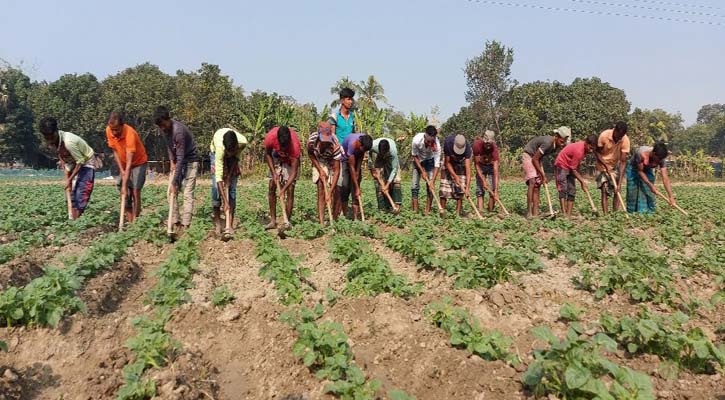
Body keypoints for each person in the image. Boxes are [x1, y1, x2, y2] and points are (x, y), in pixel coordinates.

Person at [40, 117, 98, 220]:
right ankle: (72, 218)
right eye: (47, 138)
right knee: (71, 193)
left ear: (56, 131)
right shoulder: (53, 141)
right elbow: (61, 155)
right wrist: (67, 174)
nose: (49, 140)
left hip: (85, 160)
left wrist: (69, 179)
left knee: (82, 191)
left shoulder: (69, 142)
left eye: (51, 137)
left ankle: (76, 221)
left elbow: (80, 162)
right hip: (71, 161)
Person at [154, 106, 200, 232]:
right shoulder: (164, 130)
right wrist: (171, 161)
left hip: (190, 161)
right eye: (160, 126)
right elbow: (169, 147)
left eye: (163, 125)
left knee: (187, 193)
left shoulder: (178, 131)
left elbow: (181, 157)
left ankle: (186, 225)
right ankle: (175, 222)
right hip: (178, 161)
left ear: (168, 119)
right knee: (171, 193)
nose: (162, 128)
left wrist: (175, 181)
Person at [106, 111, 148, 224]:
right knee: (124, 193)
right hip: (124, 164)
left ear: (122, 125)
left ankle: (136, 220)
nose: (114, 132)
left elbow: (130, 162)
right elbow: (114, 151)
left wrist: (125, 182)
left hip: (138, 162)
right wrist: (121, 170)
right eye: (112, 129)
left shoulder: (130, 133)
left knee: (135, 190)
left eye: (116, 130)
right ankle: (130, 221)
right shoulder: (109, 131)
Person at [522, 126, 571, 217]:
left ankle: (535, 213)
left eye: (564, 142)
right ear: (556, 137)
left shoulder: (555, 146)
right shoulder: (548, 142)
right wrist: (543, 175)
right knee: (532, 181)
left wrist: (541, 173)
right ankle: (529, 212)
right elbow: (534, 159)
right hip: (529, 155)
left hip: (537, 158)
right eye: (561, 141)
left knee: (537, 185)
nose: (562, 144)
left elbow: (539, 157)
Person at [210, 128, 247, 236]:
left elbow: (236, 159)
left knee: (232, 190)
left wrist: (230, 175)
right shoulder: (220, 149)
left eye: (233, 151)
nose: (230, 154)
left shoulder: (242, 143)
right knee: (216, 189)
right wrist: (225, 201)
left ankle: (229, 225)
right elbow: (218, 178)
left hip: (233, 160)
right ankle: (218, 224)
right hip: (216, 153)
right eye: (229, 152)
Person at [264, 126, 301, 229]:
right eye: (282, 146)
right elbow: (267, 154)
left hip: (290, 160)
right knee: (272, 186)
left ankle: (287, 222)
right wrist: (273, 172)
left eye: (285, 146)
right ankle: (273, 221)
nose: (284, 148)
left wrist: (283, 189)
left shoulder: (295, 146)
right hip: (276, 156)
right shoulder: (270, 138)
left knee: (290, 189)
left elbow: (293, 173)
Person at [553, 134, 598, 216]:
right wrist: (582, 182)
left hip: (570, 166)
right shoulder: (579, 151)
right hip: (561, 164)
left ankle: (568, 214)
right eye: (590, 148)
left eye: (593, 148)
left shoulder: (585, 149)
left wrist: (580, 179)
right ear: (586, 143)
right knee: (563, 188)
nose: (591, 150)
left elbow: (575, 166)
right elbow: (573, 169)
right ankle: (564, 213)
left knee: (572, 189)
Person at [626, 142, 677, 213]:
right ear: (653, 153)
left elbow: (665, 178)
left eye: (661, 159)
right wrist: (650, 185)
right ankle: (631, 212)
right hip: (634, 168)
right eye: (658, 158)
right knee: (632, 191)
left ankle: (647, 212)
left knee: (647, 191)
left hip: (647, 169)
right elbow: (640, 171)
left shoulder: (661, 159)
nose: (659, 161)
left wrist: (670, 196)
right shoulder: (641, 154)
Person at [308, 122, 342, 225]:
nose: (326, 143)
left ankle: (333, 220)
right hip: (319, 160)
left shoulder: (335, 146)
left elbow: (336, 170)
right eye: (324, 141)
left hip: (331, 161)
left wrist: (331, 191)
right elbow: (310, 154)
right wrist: (320, 169)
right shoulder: (312, 141)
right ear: (319, 136)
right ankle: (322, 223)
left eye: (328, 141)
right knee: (321, 189)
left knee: (335, 189)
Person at [595, 121, 630, 213]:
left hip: (614, 166)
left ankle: (615, 214)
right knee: (604, 190)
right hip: (602, 165)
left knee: (617, 190)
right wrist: (606, 166)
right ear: (615, 130)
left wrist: (619, 183)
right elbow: (597, 152)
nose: (619, 138)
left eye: (621, 136)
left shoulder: (625, 140)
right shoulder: (604, 136)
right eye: (618, 135)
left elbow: (623, 162)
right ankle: (606, 215)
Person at [338, 133, 373, 219]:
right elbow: (351, 167)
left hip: (355, 159)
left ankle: (355, 218)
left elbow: (360, 158)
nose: (363, 150)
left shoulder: (365, 142)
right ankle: (345, 215)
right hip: (346, 160)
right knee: (345, 186)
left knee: (355, 190)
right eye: (362, 148)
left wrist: (358, 172)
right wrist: (357, 188)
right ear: (359, 143)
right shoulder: (352, 144)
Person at [411, 125, 441, 214]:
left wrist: (432, 180)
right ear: (425, 136)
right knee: (414, 186)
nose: (430, 144)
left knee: (430, 187)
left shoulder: (437, 145)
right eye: (428, 142)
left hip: (430, 161)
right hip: (418, 161)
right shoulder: (416, 140)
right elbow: (414, 156)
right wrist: (422, 170)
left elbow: (437, 164)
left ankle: (427, 211)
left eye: (432, 142)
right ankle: (415, 211)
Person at [440, 134, 472, 216]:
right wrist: (454, 175)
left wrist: (467, 188)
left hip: (460, 163)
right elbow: (447, 163)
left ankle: (458, 213)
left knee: (461, 189)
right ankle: (442, 213)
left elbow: (468, 170)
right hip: (449, 163)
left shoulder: (467, 148)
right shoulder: (448, 143)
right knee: (444, 189)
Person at [368, 137, 402, 212]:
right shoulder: (373, 146)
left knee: (396, 180)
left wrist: (387, 185)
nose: (384, 156)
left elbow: (394, 169)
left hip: (390, 158)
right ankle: (383, 208)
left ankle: (396, 206)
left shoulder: (393, 152)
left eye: (384, 153)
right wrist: (371, 168)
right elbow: (368, 152)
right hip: (379, 156)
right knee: (378, 182)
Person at [472, 130, 500, 213]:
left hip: (491, 167)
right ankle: (481, 211)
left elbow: (495, 170)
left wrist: (496, 190)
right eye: (486, 143)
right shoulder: (477, 145)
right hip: (480, 166)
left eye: (490, 144)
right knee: (480, 190)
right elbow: (476, 165)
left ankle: (490, 211)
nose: (488, 146)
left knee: (493, 189)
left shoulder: (494, 149)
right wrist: (483, 180)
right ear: (483, 141)